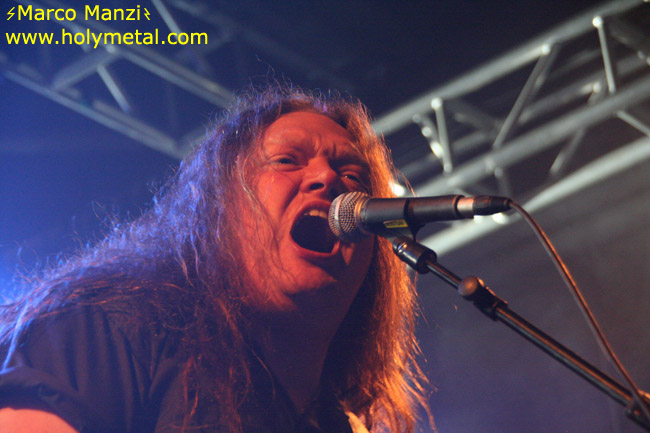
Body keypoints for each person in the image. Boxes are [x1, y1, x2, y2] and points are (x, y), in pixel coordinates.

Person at [0, 85, 431, 433]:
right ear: (219, 213)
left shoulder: (341, 423)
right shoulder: (106, 330)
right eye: (286, 161)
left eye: (353, 176)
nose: (327, 178)